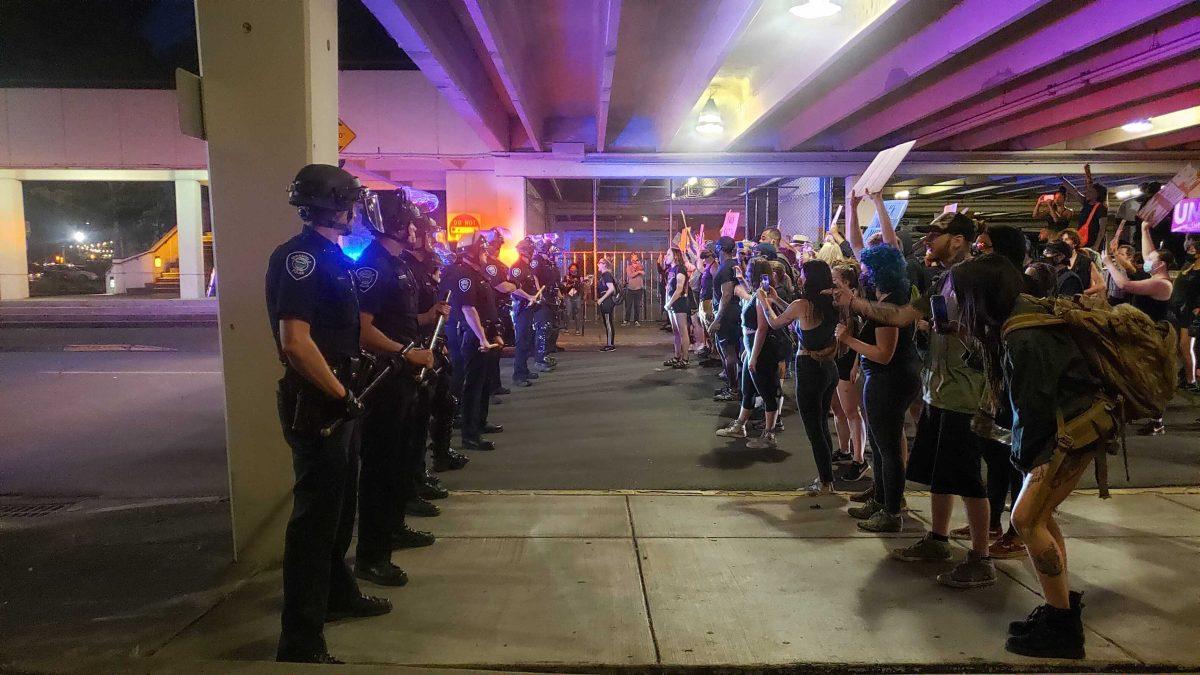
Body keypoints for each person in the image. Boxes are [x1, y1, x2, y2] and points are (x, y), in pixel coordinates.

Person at [266, 164, 391, 663]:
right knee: (315, 525)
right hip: (320, 402)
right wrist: (340, 394)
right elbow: (295, 343)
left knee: (339, 516)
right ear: (339, 206)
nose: (356, 211)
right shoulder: (301, 258)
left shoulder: (330, 255)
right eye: (352, 203)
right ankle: (300, 639)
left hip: (341, 395)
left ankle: (338, 595)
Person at [952, 254, 1103, 659]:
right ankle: (1060, 609)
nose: (956, 303)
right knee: (1041, 518)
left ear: (980, 297)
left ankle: (1064, 630)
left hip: (1070, 432)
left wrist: (1028, 463)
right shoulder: (1018, 319)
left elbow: (1032, 411)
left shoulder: (1024, 336)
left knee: (1025, 520)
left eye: (961, 296)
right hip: (1075, 426)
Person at [842, 212, 999, 585]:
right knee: (941, 474)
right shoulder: (944, 279)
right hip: (939, 389)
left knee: (967, 477)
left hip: (967, 392)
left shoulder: (976, 278)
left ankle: (982, 557)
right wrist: (856, 303)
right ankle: (938, 538)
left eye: (936, 233)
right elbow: (899, 317)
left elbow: (992, 328)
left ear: (959, 239)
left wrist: (855, 304)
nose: (927, 239)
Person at [351, 192, 442, 583]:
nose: (415, 229)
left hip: (404, 375)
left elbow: (404, 319)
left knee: (401, 461)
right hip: (385, 379)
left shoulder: (396, 264)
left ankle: (392, 531)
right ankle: (372, 555)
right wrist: (407, 352)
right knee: (380, 469)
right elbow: (363, 330)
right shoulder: (373, 266)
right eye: (408, 221)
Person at [837, 192, 921, 532]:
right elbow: (866, 249)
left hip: (891, 377)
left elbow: (884, 353)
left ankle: (891, 512)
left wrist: (848, 341)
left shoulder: (889, 306)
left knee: (887, 448)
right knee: (881, 443)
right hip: (888, 377)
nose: (863, 269)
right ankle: (881, 497)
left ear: (880, 272)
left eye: (869, 267)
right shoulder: (886, 292)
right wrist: (859, 208)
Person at [761, 259, 840, 494]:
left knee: (813, 429)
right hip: (828, 368)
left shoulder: (802, 304)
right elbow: (797, 315)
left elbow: (776, 323)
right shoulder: (831, 303)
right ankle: (828, 478)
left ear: (810, 279)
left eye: (803, 275)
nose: (799, 278)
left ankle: (826, 483)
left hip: (809, 368)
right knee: (822, 426)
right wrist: (776, 300)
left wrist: (764, 302)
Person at [1103, 220, 1175, 436]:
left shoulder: (1161, 284)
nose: (1146, 261)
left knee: (1149, 377)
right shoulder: (1155, 274)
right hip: (1142, 331)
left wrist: (1108, 262)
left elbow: (1125, 285)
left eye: (1151, 261)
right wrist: (1144, 228)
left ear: (1161, 264)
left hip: (1152, 334)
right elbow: (1148, 254)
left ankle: (1157, 420)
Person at [716, 257, 787, 448]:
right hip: (752, 348)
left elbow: (762, 328)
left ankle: (769, 435)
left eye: (748, 272)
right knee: (747, 389)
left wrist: (754, 355)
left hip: (761, 351)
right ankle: (740, 425)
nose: (746, 273)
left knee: (766, 393)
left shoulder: (761, 297)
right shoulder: (758, 294)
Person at [444, 233, 503, 451]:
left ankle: (480, 422)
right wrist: (481, 338)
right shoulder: (463, 274)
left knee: (484, 381)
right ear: (472, 251)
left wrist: (493, 332)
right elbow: (468, 309)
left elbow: (487, 307)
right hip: (472, 336)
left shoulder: (478, 274)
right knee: (473, 385)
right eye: (483, 249)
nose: (486, 253)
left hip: (484, 334)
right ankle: (469, 434)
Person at [829, 262, 868, 481]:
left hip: (848, 359)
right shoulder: (836, 300)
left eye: (834, 279)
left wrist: (856, 364)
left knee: (852, 411)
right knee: (837, 408)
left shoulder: (855, 304)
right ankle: (844, 449)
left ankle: (859, 459)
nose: (831, 282)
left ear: (846, 282)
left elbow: (862, 336)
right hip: (836, 356)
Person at [709, 236, 742, 402]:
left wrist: (718, 319)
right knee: (733, 352)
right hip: (735, 313)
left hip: (728, 315)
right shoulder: (733, 265)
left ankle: (734, 389)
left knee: (728, 352)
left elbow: (727, 294)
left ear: (720, 248)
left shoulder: (725, 269)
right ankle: (734, 386)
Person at [508, 239, 542, 387]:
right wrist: (529, 296)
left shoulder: (526, 267)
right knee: (521, 341)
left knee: (527, 340)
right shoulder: (517, 267)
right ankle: (519, 375)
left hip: (528, 308)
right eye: (530, 249)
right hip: (521, 307)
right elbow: (514, 288)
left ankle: (524, 370)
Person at [530, 241, 558, 372]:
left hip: (550, 298)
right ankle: (540, 359)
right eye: (551, 250)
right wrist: (538, 295)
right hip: (543, 298)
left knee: (548, 328)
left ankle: (544, 355)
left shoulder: (548, 262)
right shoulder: (537, 260)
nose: (553, 253)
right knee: (542, 328)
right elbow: (534, 276)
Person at [663, 248, 692, 368]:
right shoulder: (671, 269)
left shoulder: (680, 269)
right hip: (672, 304)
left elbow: (679, 288)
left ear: (675, 256)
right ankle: (677, 356)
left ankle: (685, 359)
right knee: (676, 332)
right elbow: (669, 288)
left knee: (682, 331)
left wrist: (669, 303)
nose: (666, 256)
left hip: (679, 303)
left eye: (668, 254)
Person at [1059, 228, 1104, 296]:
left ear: (1075, 243)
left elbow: (1101, 284)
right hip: (1061, 302)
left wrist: (1083, 293)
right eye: (1062, 240)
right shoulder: (1058, 260)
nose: (1063, 242)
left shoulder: (1085, 261)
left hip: (1079, 302)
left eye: (1066, 239)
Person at [596, 258, 617, 351]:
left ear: (604, 264)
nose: (598, 264)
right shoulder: (604, 275)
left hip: (607, 301)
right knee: (607, 322)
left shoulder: (606, 274)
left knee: (608, 323)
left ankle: (610, 345)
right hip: (606, 301)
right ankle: (610, 343)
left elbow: (611, 288)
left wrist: (602, 298)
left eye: (599, 263)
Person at [561, 262, 587, 335]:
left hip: (577, 296)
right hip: (568, 296)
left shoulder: (580, 277)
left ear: (577, 269)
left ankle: (577, 329)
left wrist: (584, 294)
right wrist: (570, 283)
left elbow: (583, 286)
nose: (572, 270)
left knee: (577, 312)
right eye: (571, 268)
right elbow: (563, 285)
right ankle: (566, 328)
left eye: (574, 268)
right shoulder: (566, 277)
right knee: (568, 312)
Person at [623, 253, 645, 325]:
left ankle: (636, 320)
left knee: (637, 306)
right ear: (631, 260)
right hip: (630, 289)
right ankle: (627, 320)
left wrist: (639, 267)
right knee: (628, 305)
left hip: (639, 289)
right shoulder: (629, 267)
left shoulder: (640, 266)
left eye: (636, 259)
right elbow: (630, 275)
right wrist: (638, 272)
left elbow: (643, 273)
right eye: (633, 259)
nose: (635, 260)